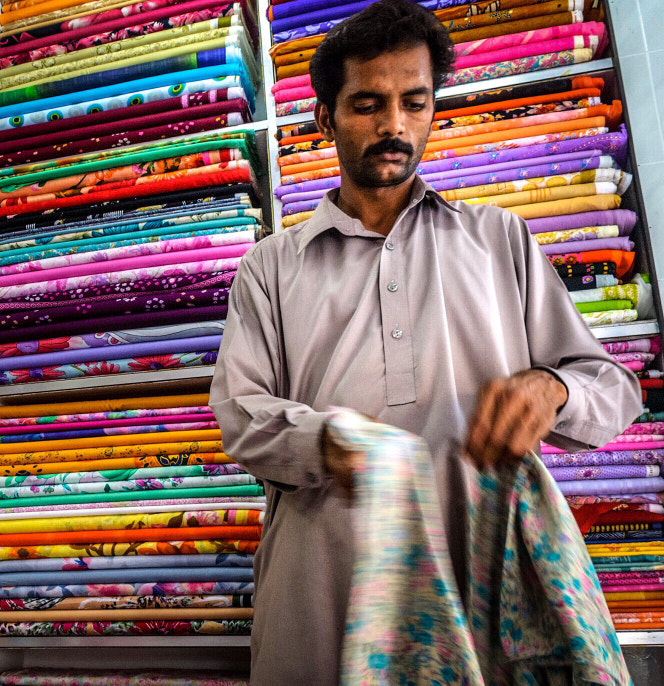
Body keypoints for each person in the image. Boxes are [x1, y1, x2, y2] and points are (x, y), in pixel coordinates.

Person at [208, 0, 642, 683]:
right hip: (325, 592)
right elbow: (240, 414)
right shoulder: (271, 266)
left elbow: (613, 386)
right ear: (324, 118)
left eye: (414, 102)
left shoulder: (498, 239)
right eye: (367, 105)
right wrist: (328, 441)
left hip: (484, 586)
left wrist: (553, 389)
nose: (394, 125)